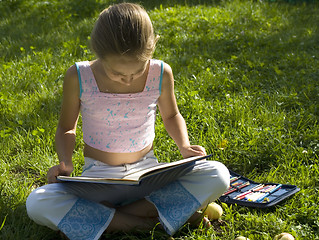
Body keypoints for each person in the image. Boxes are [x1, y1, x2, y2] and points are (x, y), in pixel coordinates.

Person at [26, 3, 229, 240]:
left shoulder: (161, 73)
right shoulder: (79, 75)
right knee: (37, 202)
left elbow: (171, 115)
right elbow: (66, 127)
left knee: (218, 174)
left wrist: (184, 146)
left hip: (148, 174)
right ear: (98, 55)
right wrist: (65, 162)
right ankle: (152, 222)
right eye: (118, 73)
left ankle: (107, 219)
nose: (127, 79)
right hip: (98, 179)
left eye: (136, 71)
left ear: (150, 52)